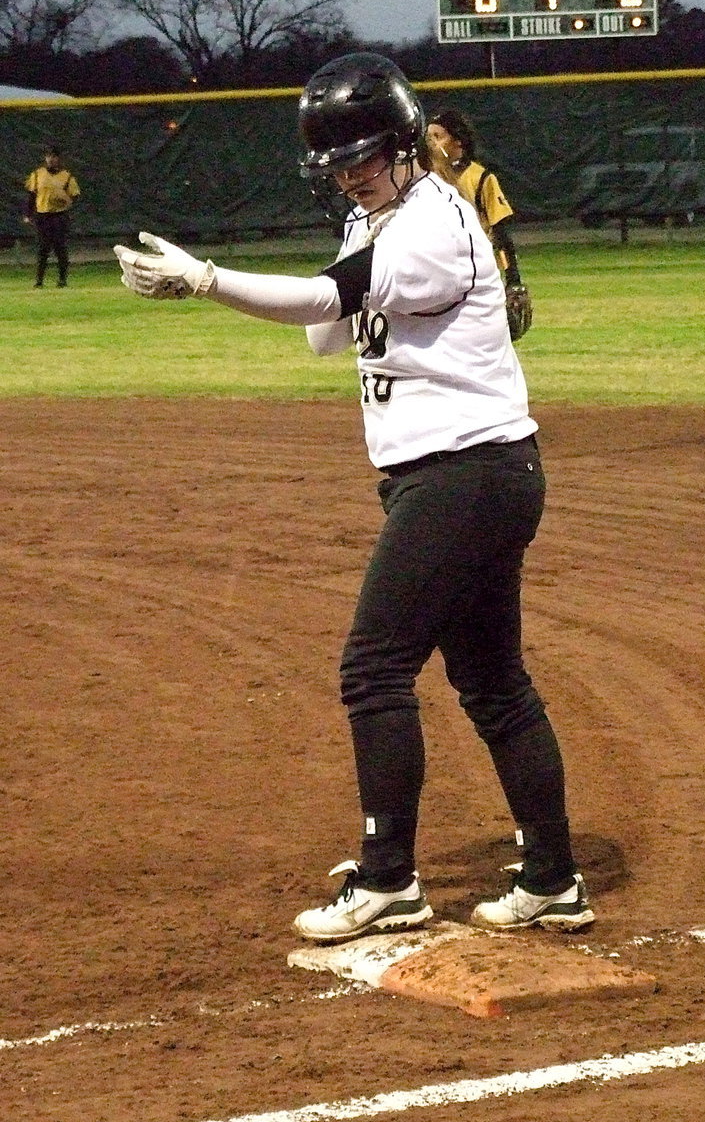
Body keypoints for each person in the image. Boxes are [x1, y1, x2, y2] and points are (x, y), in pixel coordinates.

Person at [113, 53, 594, 944]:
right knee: (491, 682)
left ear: (407, 144)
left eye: (363, 158)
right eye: (334, 163)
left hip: (464, 474)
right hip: (468, 474)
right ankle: (553, 880)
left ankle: (387, 880)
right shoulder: (382, 218)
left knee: (372, 670)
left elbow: (321, 303)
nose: (347, 173)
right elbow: (325, 340)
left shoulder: (433, 224)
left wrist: (209, 280)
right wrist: (344, 252)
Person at [426, 108, 532, 341]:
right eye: (429, 137)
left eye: (438, 136)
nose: (432, 143)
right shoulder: (424, 180)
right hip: (437, 270)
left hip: (475, 271)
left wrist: (513, 278)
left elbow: (501, 234)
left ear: (458, 141)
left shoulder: (480, 178)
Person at [23, 146, 81, 288]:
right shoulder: (37, 174)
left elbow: (75, 195)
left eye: (54, 156)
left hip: (59, 216)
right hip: (43, 215)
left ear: (59, 159)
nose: (51, 159)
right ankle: (39, 281)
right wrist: (28, 214)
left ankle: (62, 280)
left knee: (60, 248)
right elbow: (31, 195)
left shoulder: (66, 176)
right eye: (48, 156)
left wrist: (66, 201)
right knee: (43, 249)